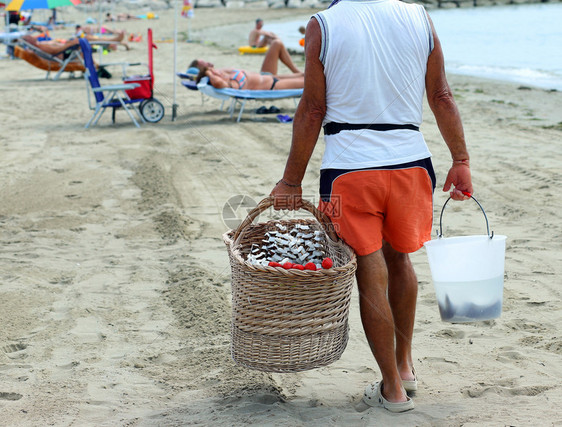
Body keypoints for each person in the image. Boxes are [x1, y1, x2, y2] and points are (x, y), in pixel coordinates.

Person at [270, 0, 472, 413]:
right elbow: (441, 95)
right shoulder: (420, 17)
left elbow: (312, 109)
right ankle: (405, 365)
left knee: (369, 268)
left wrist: (291, 181)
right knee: (401, 260)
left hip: (349, 169)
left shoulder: (322, 25)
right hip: (412, 164)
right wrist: (461, 161)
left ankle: (393, 389)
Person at [190, 37, 301, 77]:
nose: (207, 62)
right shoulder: (215, 75)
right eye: (203, 63)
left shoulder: (216, 72)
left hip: (262, 77)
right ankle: (297, 72)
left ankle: (297, 72)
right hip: (264, 79)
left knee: (277, 43)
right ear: (200, 68)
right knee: (277, 43)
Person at [194, 64, 303, 90]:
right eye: (213, 72)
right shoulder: (228, 83)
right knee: (309, 81)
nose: (216, 71)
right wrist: (209, 74)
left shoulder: (225, 76)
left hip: (273, 77)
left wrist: (211, 71)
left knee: (304, 74)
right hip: (273, 85)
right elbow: (218, 84)